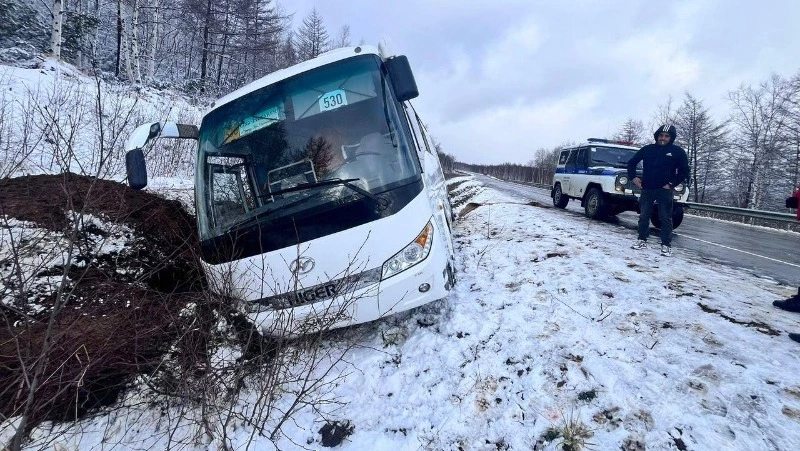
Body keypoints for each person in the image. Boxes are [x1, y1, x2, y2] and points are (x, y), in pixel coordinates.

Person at [627, 124, 689, 256]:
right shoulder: (647, 149)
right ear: (657, 136)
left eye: (667, 136)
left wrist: (672, 183)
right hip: (647, 188)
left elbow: (684, 171)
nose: (663, 138)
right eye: (661, 135)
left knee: (665, 218)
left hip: (664, 190)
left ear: (671, 138)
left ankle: (666, 245)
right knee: (644, 216)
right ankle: (641, 240)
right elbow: (631, 163)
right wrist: (633, 178)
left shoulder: (677, 151)